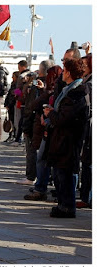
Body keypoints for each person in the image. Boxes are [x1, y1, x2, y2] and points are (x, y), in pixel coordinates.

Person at [43, 58, 87, 218]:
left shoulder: (76, 92)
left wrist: (51, 114)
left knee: (65, 175)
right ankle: (62, 205)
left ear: (69, 72)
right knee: (60, 174)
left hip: (68, 140)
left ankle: (67, 207)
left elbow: (64, 118)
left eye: (64, 69)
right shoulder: (69, 90)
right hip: (62, 139)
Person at [24, 64, 61, 200]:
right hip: (44, 126)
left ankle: (44, 188)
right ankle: (43, 187)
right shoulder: (51, 89)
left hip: (50, 127)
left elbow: (35, 104)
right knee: (43, 158)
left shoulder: (55, 90)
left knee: (44, 159)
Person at [77, 53, 92, 209]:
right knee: (86, 162)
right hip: (86, 126)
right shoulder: (87, 80)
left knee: (88, 163)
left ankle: (88, 196)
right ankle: (86, 195)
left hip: (89, 126)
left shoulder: (90, 83)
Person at [4, 71, 20, 142]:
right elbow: (9, 95)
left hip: (13, 105)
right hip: (10, 105)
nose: (12, 77)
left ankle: (15, 135)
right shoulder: (12, 84)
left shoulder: (17, 85)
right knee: (11, 121)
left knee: (14, 121)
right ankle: (11, 135)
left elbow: (15, 96)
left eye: (13, 76)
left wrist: (10, 104)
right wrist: (6, 104)